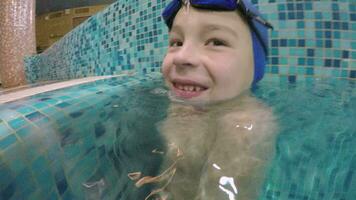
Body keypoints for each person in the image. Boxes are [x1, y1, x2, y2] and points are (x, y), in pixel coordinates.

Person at [129, 0, 277, 199]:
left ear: (254, 66)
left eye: (216, 42)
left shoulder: (246, 125)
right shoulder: (179, 107)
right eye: (177, 42)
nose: (182, 57)